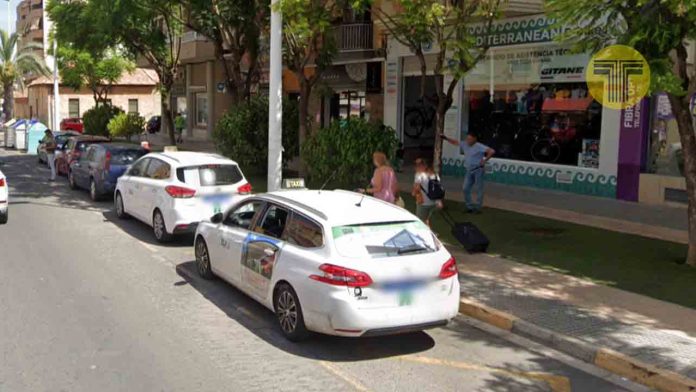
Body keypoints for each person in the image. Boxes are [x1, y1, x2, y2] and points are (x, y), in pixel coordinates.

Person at [442, 133, 495, 213]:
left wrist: (484, 160)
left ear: (475, 139)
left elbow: (492, 151)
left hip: (478, 170)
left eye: (470, 139)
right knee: (465, 188)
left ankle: (478, 208)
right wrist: (446, 138)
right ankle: (469, 206)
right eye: (467, 138)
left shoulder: (479, 146)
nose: (468, 140)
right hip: (469, 170)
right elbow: (455, 142)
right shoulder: (465, 144)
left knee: (479, 189)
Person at [412, 158, 441, 226]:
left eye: (418, 165)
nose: (416, 167)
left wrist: (414, 193)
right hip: (434, 203)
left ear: (424, 166)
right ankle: (431, 233)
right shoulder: (435, 175)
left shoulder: (419, 175)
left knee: (420, 222)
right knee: (428, 220)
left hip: (423, 203)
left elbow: (415, 190)